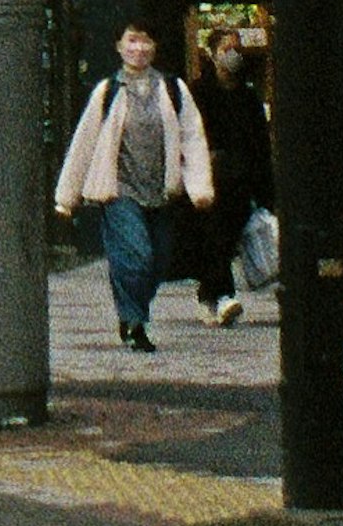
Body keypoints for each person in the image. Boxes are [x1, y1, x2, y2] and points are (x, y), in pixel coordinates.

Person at [55, 21, 212, 350]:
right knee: (136, 255)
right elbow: (83, 143)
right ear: (119, 46)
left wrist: (199, 188)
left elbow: (192, 139)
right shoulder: (108, 91)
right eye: (132, 41)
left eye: (146, 41)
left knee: (158, 262)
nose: (139, 48)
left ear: (155, 47)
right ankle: (134, 322)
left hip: (161, 191)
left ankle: (132, 310)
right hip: (120, 190)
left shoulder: (172, 89)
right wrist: (66, 197)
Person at [197, 22, 275, 324]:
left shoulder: (248, 97)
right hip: (209, 178)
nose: (232, 56)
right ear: (212, 54)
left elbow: (259, 145)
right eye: (225, 49)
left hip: (241, 180)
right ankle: (223, 296)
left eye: (236, 49)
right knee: (215, 235)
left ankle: (211, 293)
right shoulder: (200, 92)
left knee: (229, 238)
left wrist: (265, 189)